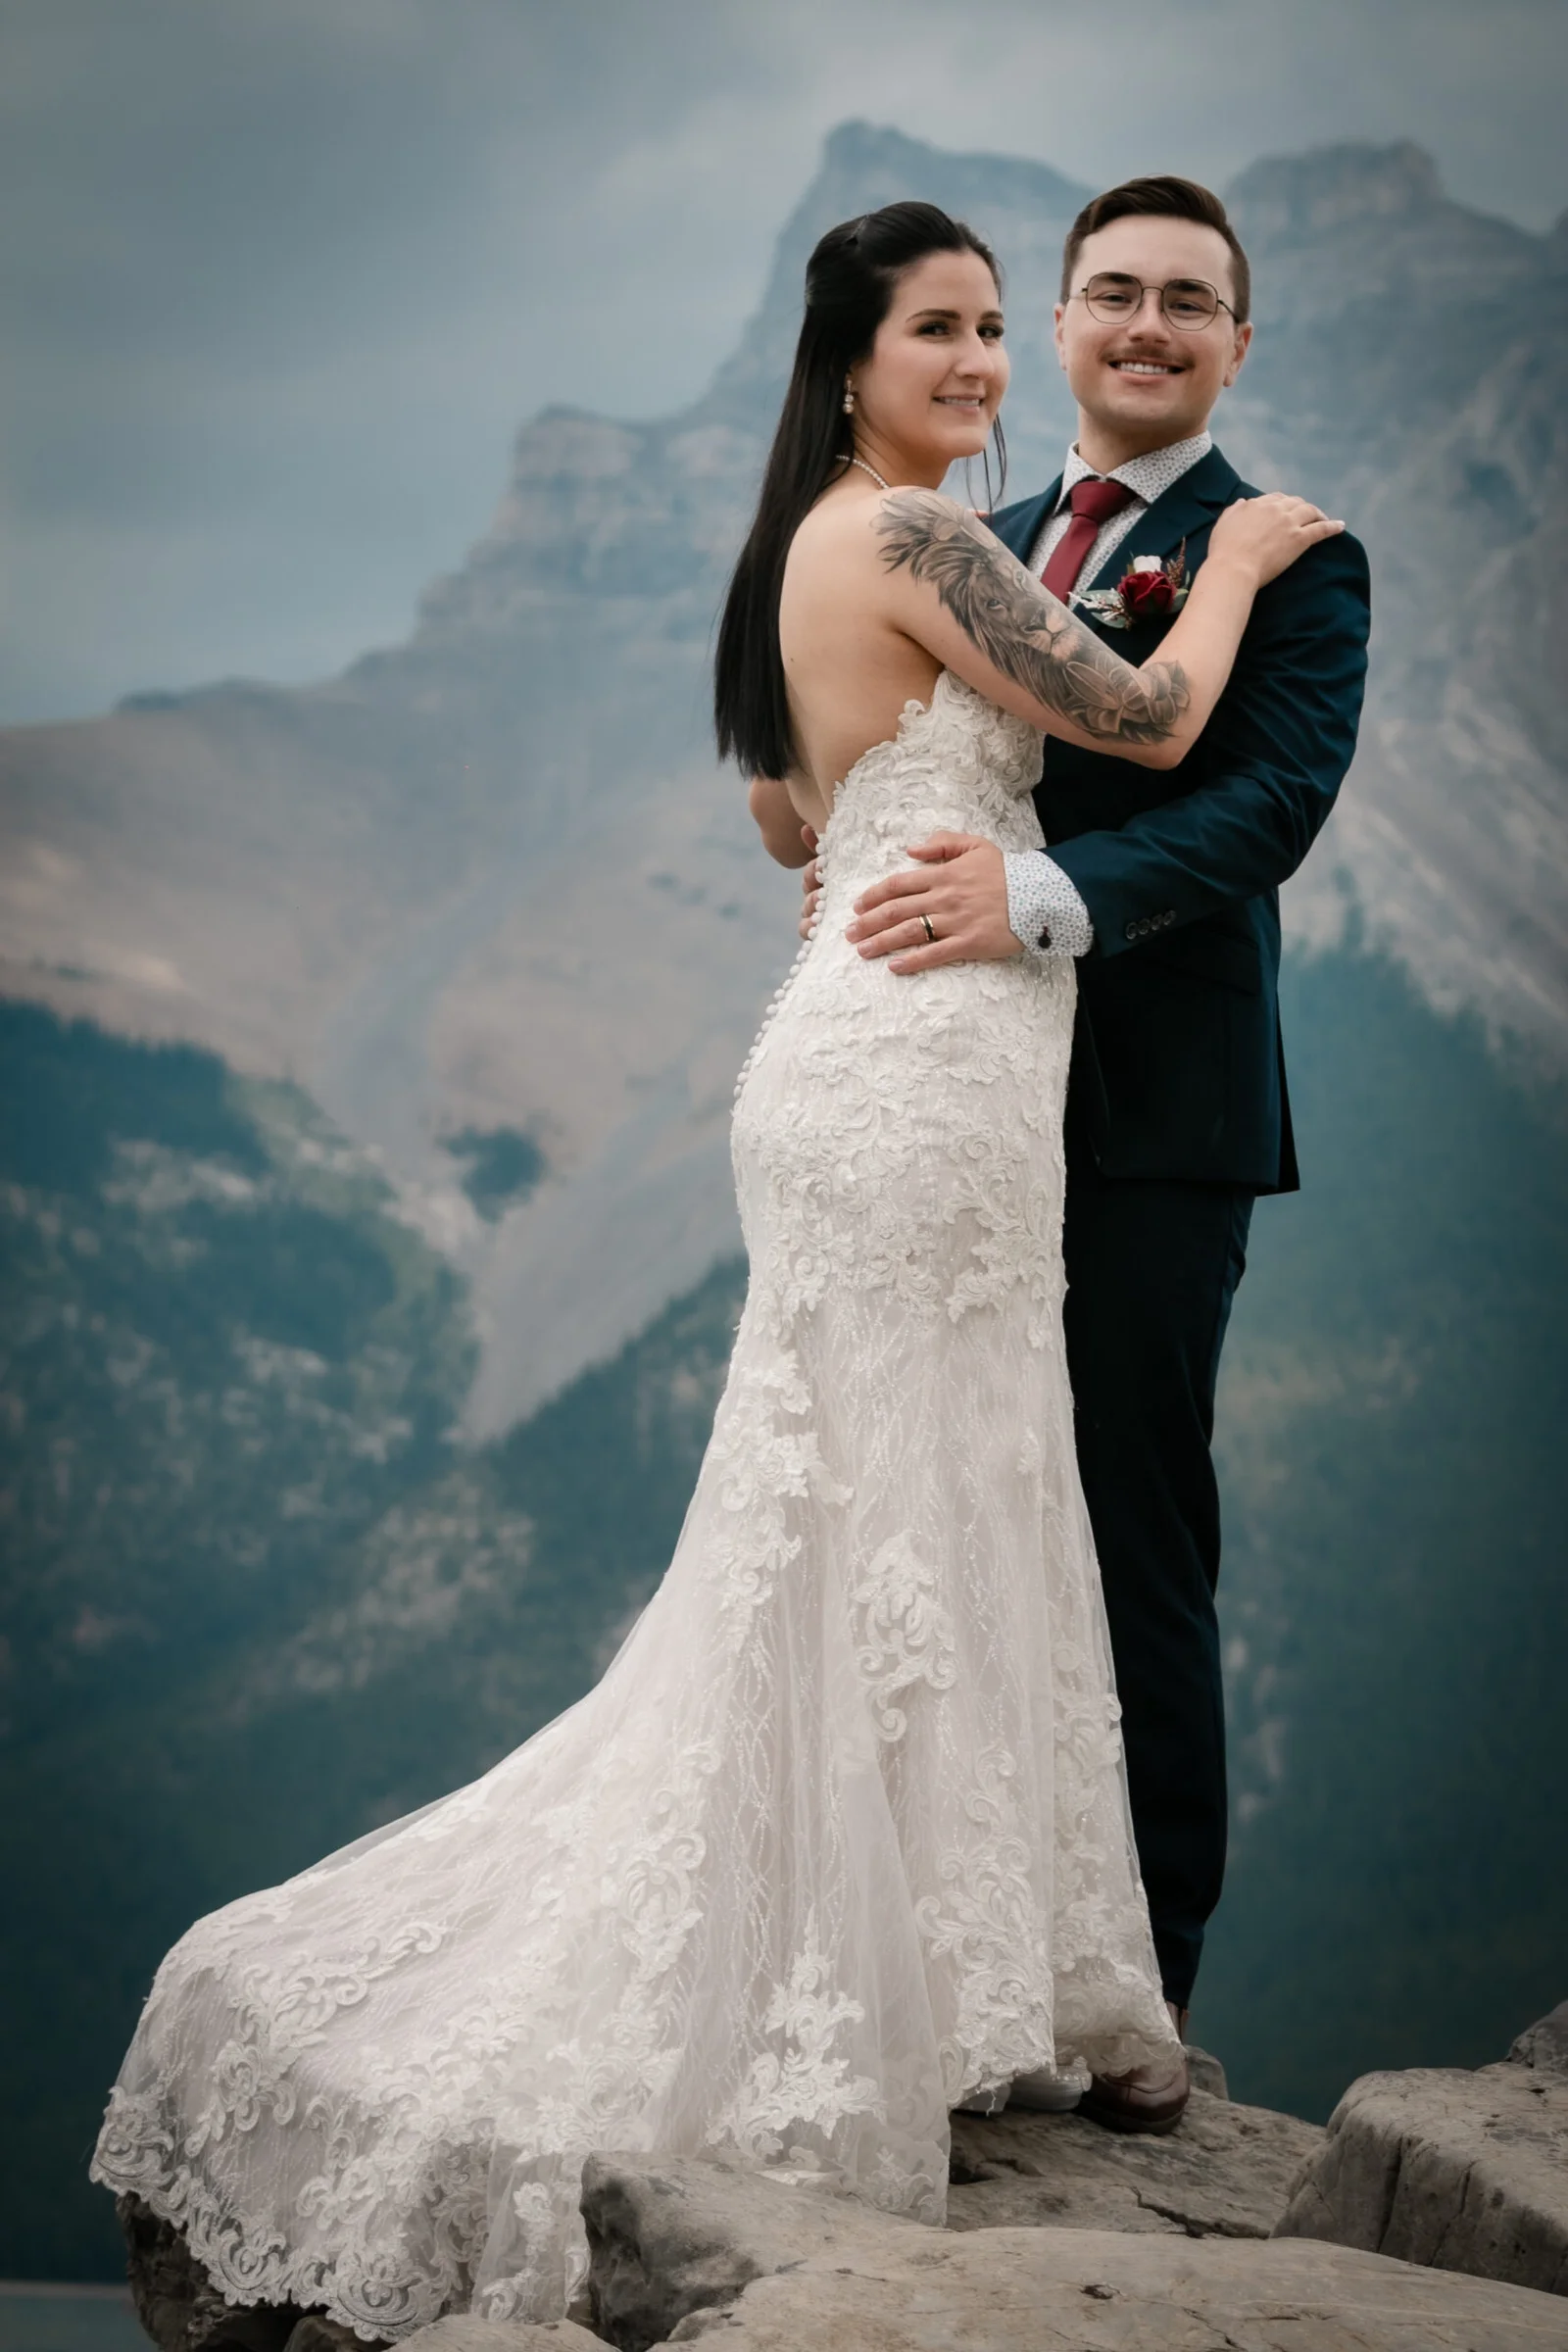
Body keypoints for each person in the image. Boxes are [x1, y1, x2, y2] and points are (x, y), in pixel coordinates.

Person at [90, 202, 1339, 2333]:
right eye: (938, 331)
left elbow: (788, 812)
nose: (974, 364)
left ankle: (969, 1974)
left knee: (932, 1505)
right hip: (917, 1081)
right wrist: (1227, 566)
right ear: (851, 359)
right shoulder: (934, 538)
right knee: (897, 1513)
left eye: (977, 331)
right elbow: (1134, 728)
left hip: (913, 1059)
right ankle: (901, 1995)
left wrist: (873, 840)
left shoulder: (829, 542)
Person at [794, 177, 1371, 2130]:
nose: (1143, 325)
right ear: (1051, 324)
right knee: (941, 1533)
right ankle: (962, 1971)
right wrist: (854, 872)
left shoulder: (1286, 559)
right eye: (1107, 293)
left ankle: (1144, 2005)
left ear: (1234, 339)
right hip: (948, 1113)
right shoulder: (978, 533)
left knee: (1126, 1544)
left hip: (1143, 1127)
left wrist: (1032, 888)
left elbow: (1263, 807)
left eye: (1184, 303)